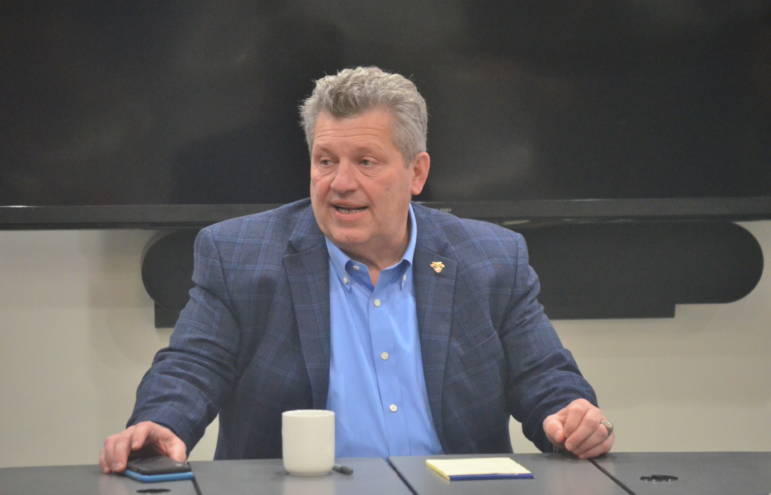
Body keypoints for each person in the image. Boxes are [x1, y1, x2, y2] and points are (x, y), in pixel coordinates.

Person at [100, 66, 614, 474]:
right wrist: (161, 422)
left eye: (366, 162)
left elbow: (543, 376)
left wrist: (568, 415)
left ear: (416, 172)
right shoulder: (239, 255)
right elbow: (192, 366)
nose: (340, 183)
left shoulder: (490, 259)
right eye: (326, 161)